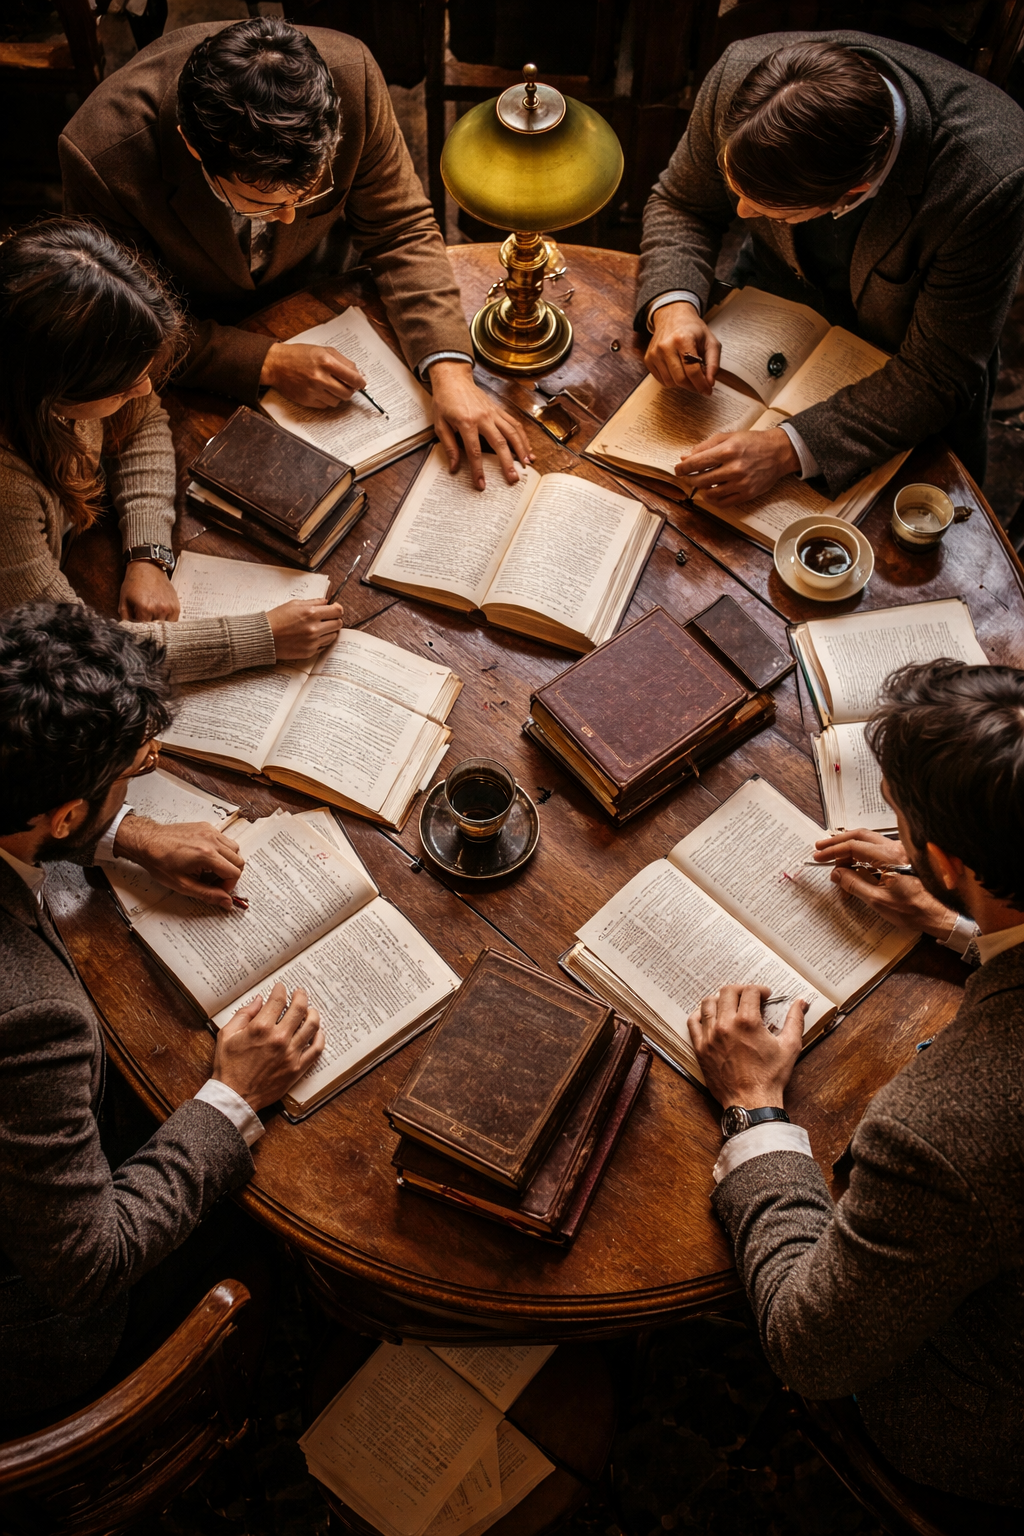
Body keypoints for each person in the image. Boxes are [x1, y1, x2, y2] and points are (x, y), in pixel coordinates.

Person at [686, 659, 1024, 1506]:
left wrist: (754, 1112)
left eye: (904, 824)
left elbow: (814, 1351)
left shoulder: (939, 1134)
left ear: (942, 857)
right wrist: (961, 921)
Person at [0, 600, 324, 1417]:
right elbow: (89, 1263)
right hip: (35, 1337)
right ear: (64, 811)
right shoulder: (31, 1016)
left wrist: (126, 835)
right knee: (281, 1236)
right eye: (126, 778)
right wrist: (232, 1098)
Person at [60, 16, 530, 492]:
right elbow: (126, 326)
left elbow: (400, 227)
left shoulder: (354, 78)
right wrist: (266, 362)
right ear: (192, 146)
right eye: (262, 202)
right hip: (198, 331)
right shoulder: (103, 155)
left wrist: (448, 369)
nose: (286, 218)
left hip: (326, 287)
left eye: (306, 193)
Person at [637, 33, 1024, 504]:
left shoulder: (992, 179)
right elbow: (683, 204)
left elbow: (938, 373)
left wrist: (787, 449)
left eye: (769, 209)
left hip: (902, 357)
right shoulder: (739, 76)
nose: (738, 214)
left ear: (854, 192)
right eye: (736, 189)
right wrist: (675, 306)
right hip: (771, 301)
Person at [0, 219, 344, 669]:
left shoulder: (60, 372)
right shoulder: (8, 494)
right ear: (51, 391)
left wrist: (147, 552)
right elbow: (73, 652)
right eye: (123, 385)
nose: (144, 391)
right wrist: (260, 638)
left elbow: (139, 424)